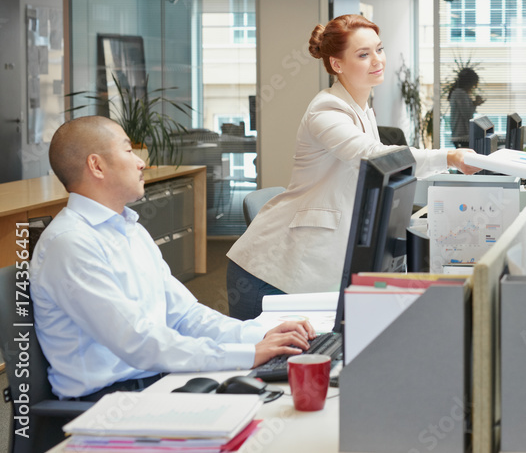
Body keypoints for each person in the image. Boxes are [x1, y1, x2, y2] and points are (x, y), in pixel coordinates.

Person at [30, 116, 315, 401]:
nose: (141, 162)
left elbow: (185, 316)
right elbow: (139, 342)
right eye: (129, 151)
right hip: (109, 400)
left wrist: (259, 335)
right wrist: (247, 354)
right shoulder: (70, 244)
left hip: (157, 378)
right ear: (96, 165)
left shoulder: (131, 230)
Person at [227, 14, 479, 320]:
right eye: (363, 54)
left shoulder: (359, 110)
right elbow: (376, 158)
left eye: (379, 49)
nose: (377, 60)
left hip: (310, 269)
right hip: (271, 277)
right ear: (337, 64)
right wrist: (449, 158)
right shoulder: (326, 110)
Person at [448, 67, 484, 148]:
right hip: (461, 136)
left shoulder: (459, 93)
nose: (474, 87)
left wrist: (474, 103)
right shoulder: (460, 93)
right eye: (474, 84)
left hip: (460, 135)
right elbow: (467, 114)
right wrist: (475, 103)